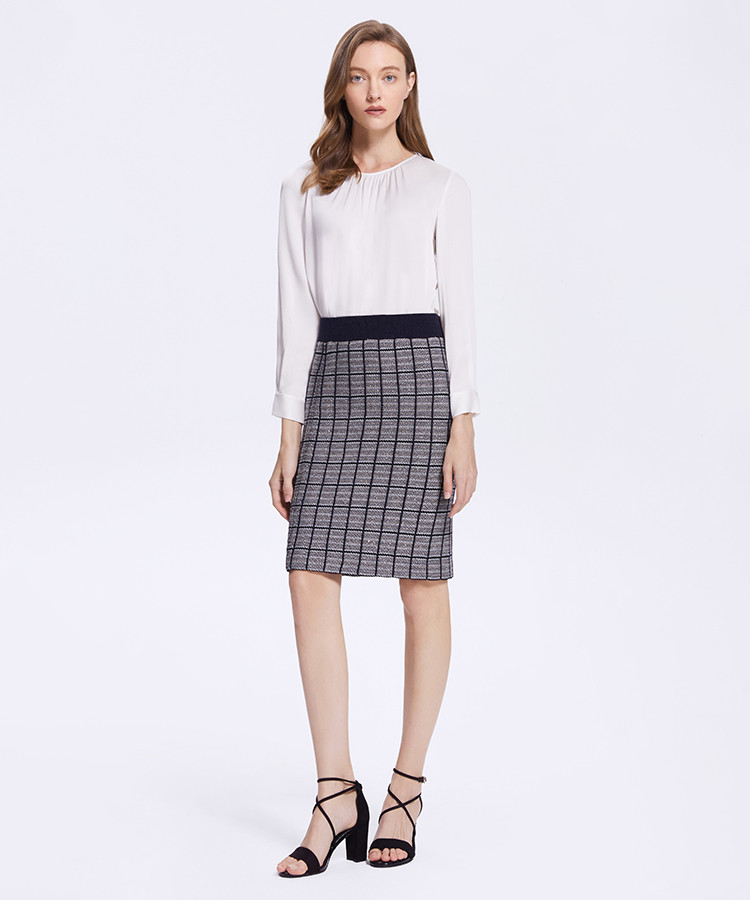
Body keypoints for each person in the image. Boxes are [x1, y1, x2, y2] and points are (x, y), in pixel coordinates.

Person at [269, 19, 480, 878]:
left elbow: (461, 310)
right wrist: (288, 434)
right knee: (307, 572)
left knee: (421, 584)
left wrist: (464, 425)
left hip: (420, 384)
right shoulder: (304, 189)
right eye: (360, 76)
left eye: (390, 75)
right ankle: (335, 793)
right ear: (342, 87)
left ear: (410, 85)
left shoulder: (441, 186)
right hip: (335, 383)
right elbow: (294, 316)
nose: (375, 91)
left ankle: (404, 789)